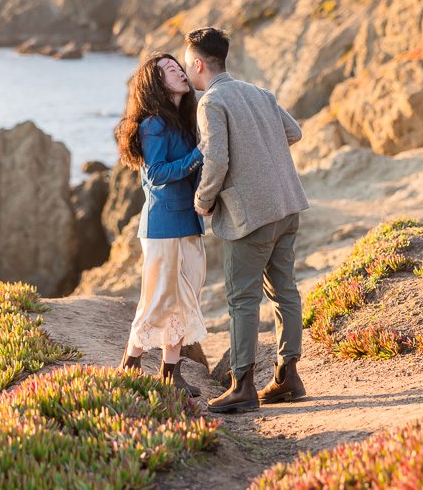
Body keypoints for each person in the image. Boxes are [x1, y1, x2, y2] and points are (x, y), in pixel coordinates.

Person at [182, 27, 309, 413]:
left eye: (187, 65)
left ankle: (242, 386)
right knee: (284, 291)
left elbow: (217, 160)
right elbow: (294, 132)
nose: (187, 72)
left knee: (242, 299)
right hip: (286, 205)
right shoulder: (259, 93)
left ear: (199, 64)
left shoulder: (211, 102)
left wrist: (203, 201)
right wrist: (259, 151)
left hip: (249, 216)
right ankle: (288, 375)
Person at [115, 52, 207, 396]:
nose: (181, 72)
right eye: (171, 69)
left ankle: (171, 372)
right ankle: (130, 367)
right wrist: (199, 153)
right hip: (163, 223)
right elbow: (156, 174)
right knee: (158, 299)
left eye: (179, 67)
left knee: (184, 298)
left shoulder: (181, 121)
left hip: (189, 221)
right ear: (156, 82)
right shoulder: (154, 123)